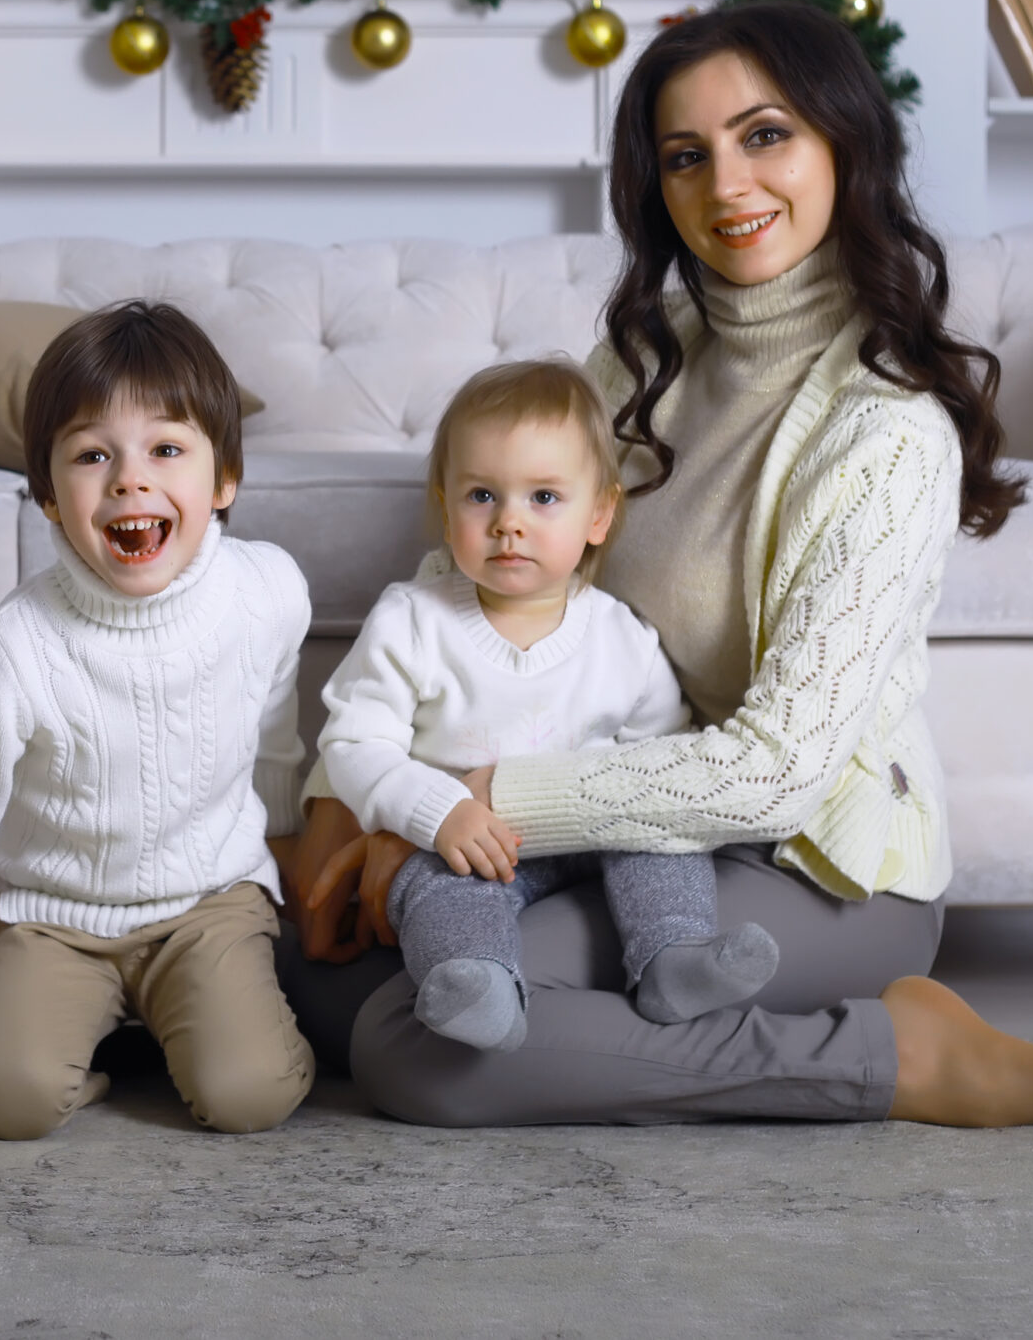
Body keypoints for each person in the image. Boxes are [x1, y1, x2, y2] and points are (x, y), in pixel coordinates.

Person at [284, 0, 1033, 1132]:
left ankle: (905, 1057)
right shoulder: (640, 360)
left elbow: (774, 775)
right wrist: (343, 812)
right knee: (305, 970)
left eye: (765, 136)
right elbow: (469, 584)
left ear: (845, 139)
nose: (727, 186)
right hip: (600, 830)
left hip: (802, 867)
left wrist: (465, 801)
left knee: (424, 1050)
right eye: (686, 157)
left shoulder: (882, 432)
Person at [0, 301, 315, 1141]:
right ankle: (92, 1050)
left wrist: (287, 863)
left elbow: (273, 735)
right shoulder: (13, 649)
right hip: (49, 911)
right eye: (94, 455)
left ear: (224, 478)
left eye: (167, 449)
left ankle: (183, 1028)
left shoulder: (268, 591)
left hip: (208, 900)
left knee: (250, 1094)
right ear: (49, 498)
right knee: (8, 1102)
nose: (130, 479)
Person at [321, 358, 778, 1054]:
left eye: (542, 497)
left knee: (658, 841)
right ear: (445, 506)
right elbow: (354, 745)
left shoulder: (620, 634)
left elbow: (665, 753)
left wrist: (642, 810)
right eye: (482, 496)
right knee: (438, 893)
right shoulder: (412, 620)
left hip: (596, 831)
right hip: (469, 845)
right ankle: (479, 984)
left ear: (598, 514)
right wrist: (437, 811)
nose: (509, 522)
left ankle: (673, 955)